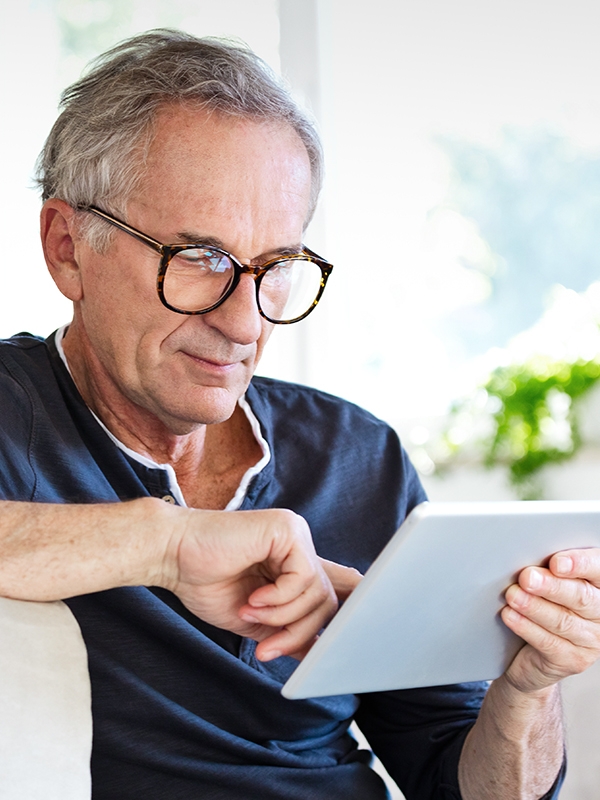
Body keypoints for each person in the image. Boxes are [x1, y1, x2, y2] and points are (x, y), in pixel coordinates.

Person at [1, 28, 598, 799]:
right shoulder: (15, 409)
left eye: (276, 267)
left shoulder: (356, 454)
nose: (247, 323)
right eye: (201, 258)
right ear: (67, 248)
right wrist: (170, 545)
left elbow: (465, 786)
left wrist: (527, 687)